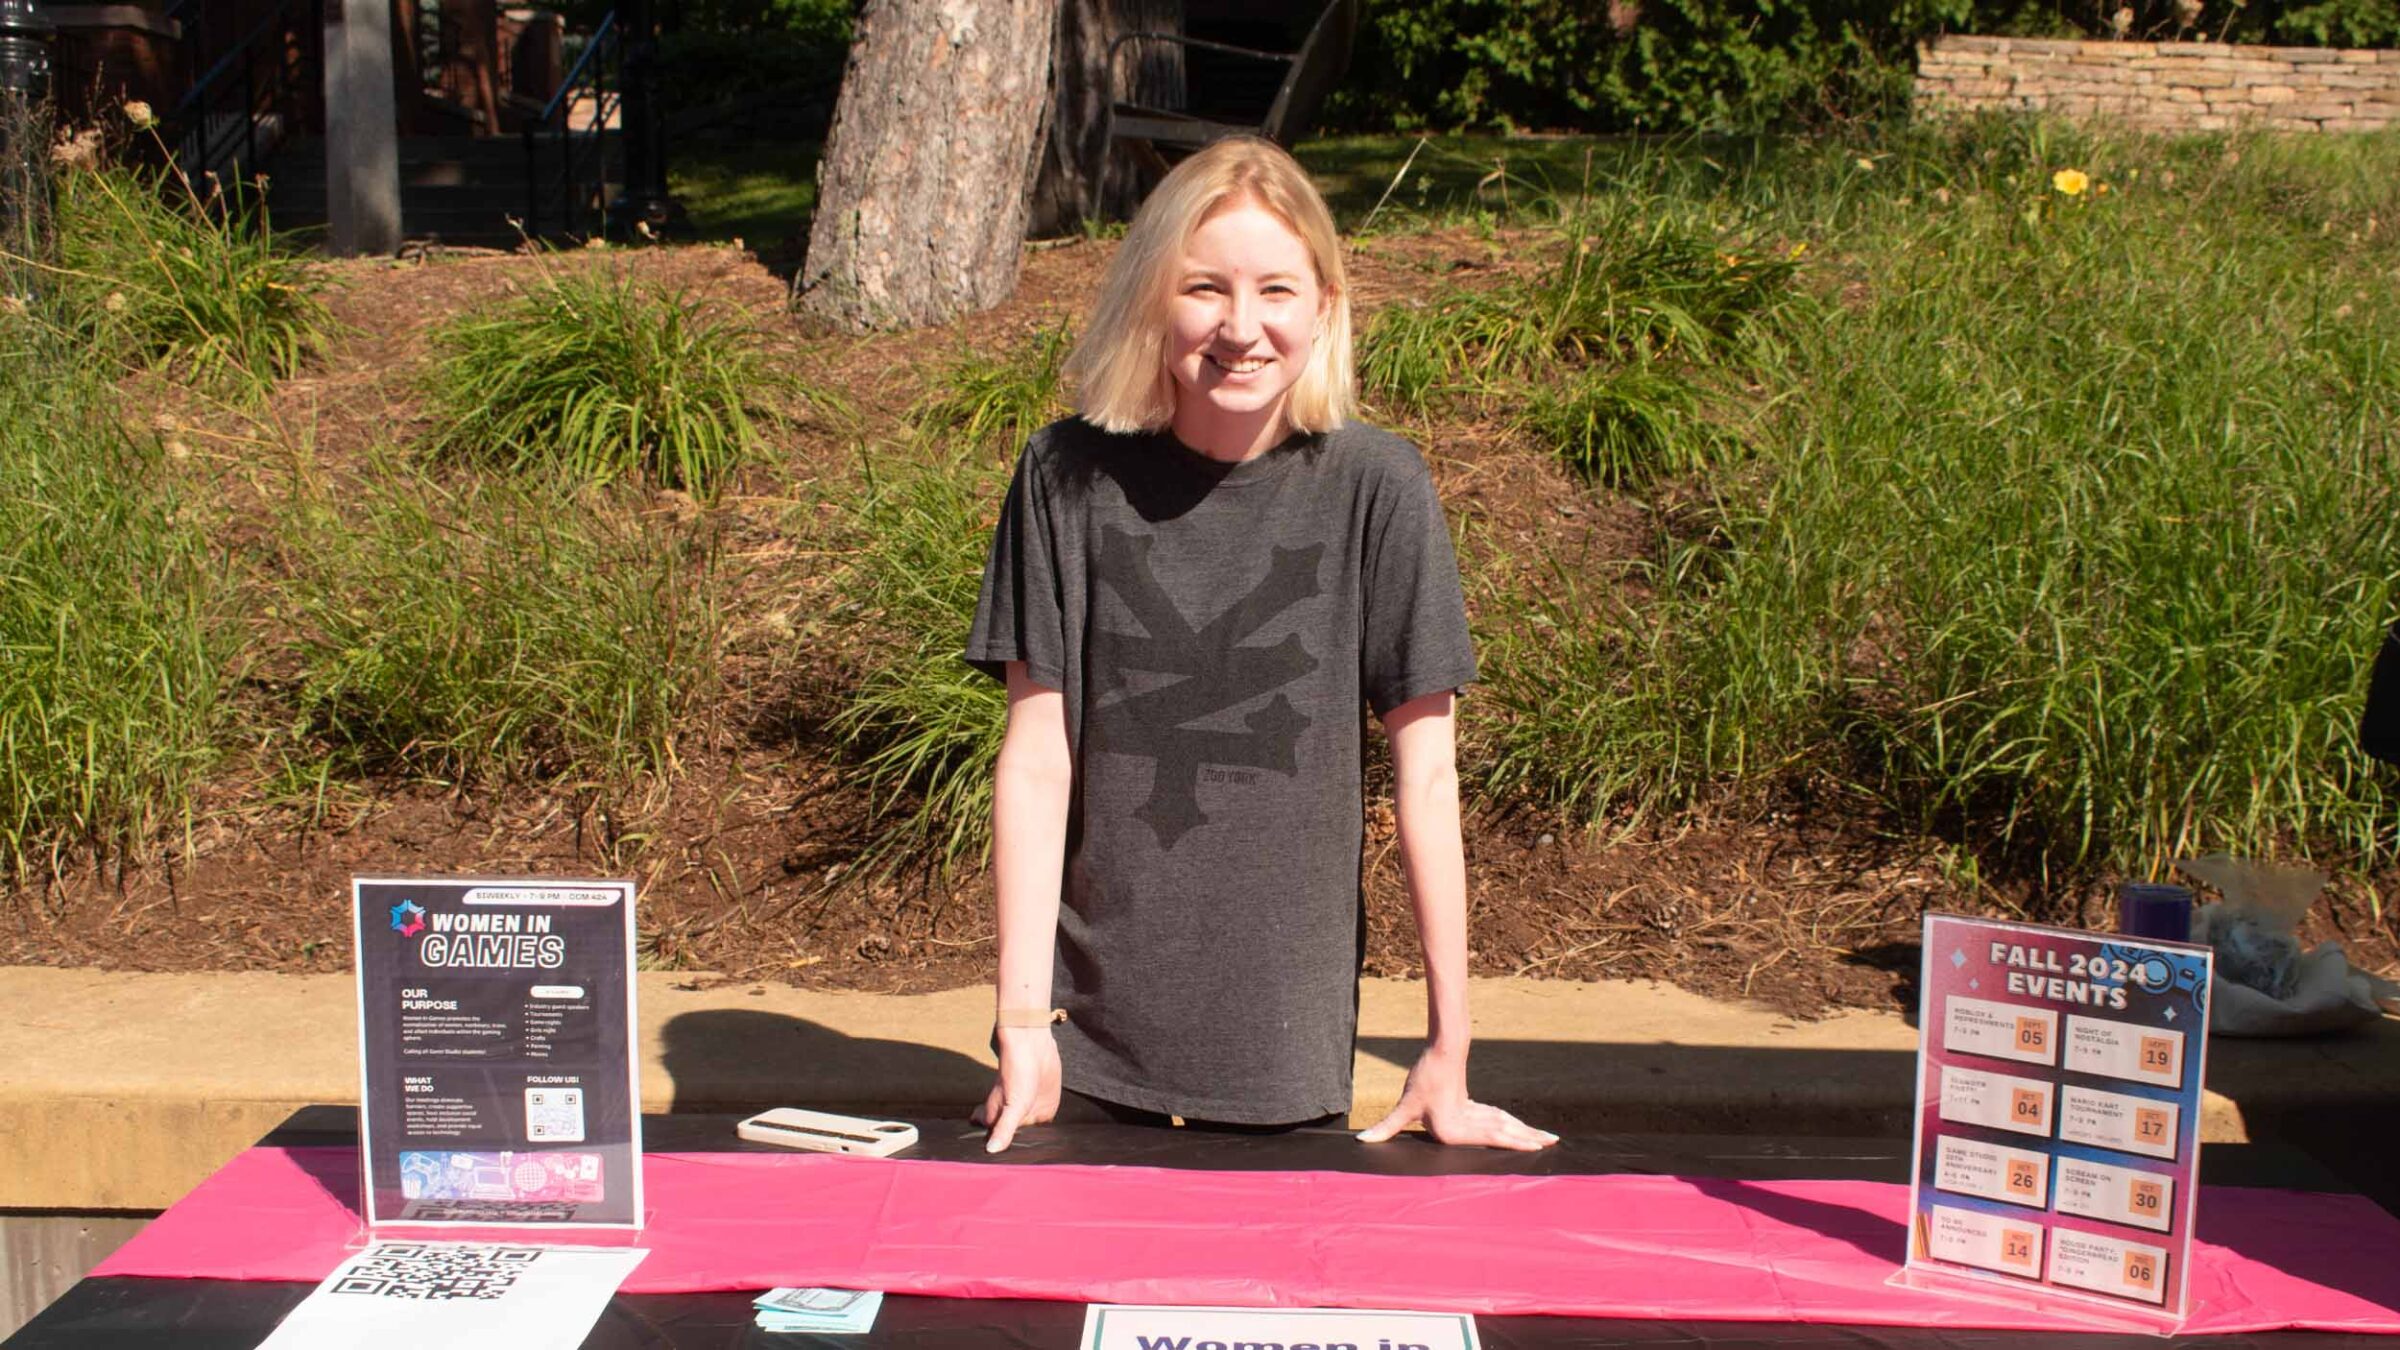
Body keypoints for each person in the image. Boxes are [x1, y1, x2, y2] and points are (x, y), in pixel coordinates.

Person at [963, 135, 1555, 1154]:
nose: (1242, 328)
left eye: (1275, 289)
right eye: (1205, 288)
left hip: (1287, 1050)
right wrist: (1022, 1025)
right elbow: (1035, 760)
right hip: (1082, 1048)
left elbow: (1428, 782)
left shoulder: (1380, 489)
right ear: (1154, 298)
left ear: (1324, 304)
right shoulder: (1063, 475)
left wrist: (1448, 1052)